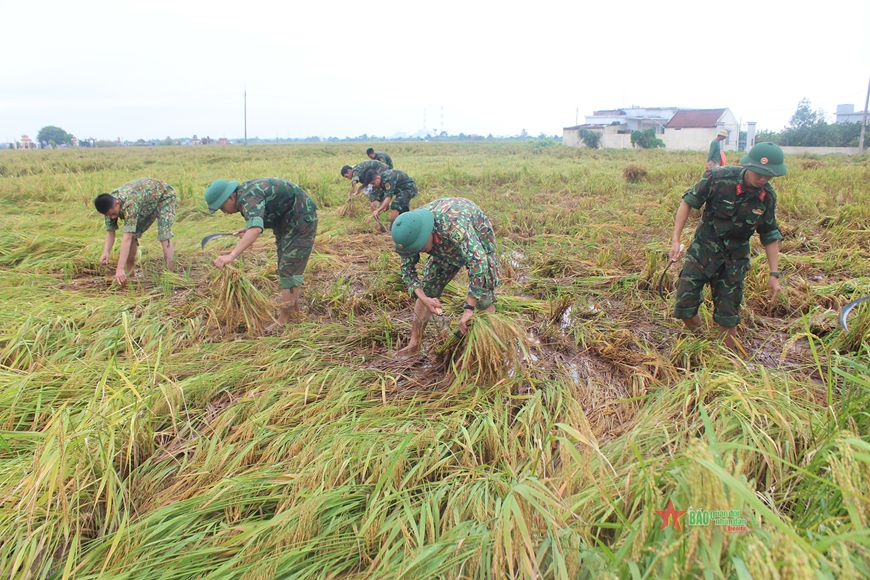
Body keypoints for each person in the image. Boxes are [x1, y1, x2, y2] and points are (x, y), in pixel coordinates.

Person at [669, 142, 786, 350]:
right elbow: (688, 202)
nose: (763, 179)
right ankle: (702, 342)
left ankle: (725, 359)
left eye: (768, 175)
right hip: (702, 252)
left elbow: (769, 235)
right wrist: (676, 239)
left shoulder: (766, 196)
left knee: (728, 314)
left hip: (734, 260)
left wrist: (774, 273)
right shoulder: (717, 178)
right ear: (748, 165)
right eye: (759, 173)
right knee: (684, 305)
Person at [391, 198, 499, 354]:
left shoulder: (452, 225)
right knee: (428, 286)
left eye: (420, 247)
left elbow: (478, 261)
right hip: (442, 245)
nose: (418, 251)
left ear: (427, 233)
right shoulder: (409, 234)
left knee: (483, 295)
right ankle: (414, 343)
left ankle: (489, 348)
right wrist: (423, 298)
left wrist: (469, 308)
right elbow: (408, 271)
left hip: (477, 239)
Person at [204, 178, 318, 323]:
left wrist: (231, 255)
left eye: (221, 207)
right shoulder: (245, 194)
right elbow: (261, 214)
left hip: (300, 219)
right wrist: (248, 228)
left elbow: (256, 229)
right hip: (286, 222)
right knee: (287, 266)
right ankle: (295, 312)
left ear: (231, 197)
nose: (224, 212)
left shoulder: (247, 197)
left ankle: (285, 319)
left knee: (289, 268)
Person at [94, 177, 176, 286]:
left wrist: (119, 268)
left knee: (164, 234)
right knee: (132, 233)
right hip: (144, 200)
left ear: (117, 203)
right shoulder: (108, 206)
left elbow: (126, 238)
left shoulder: (130, 203)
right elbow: (110, 232)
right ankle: (129, 273)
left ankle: (170, 274)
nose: (113, 217)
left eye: (114, 213)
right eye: (110, 215)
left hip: (163, 196)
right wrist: (106, 252)